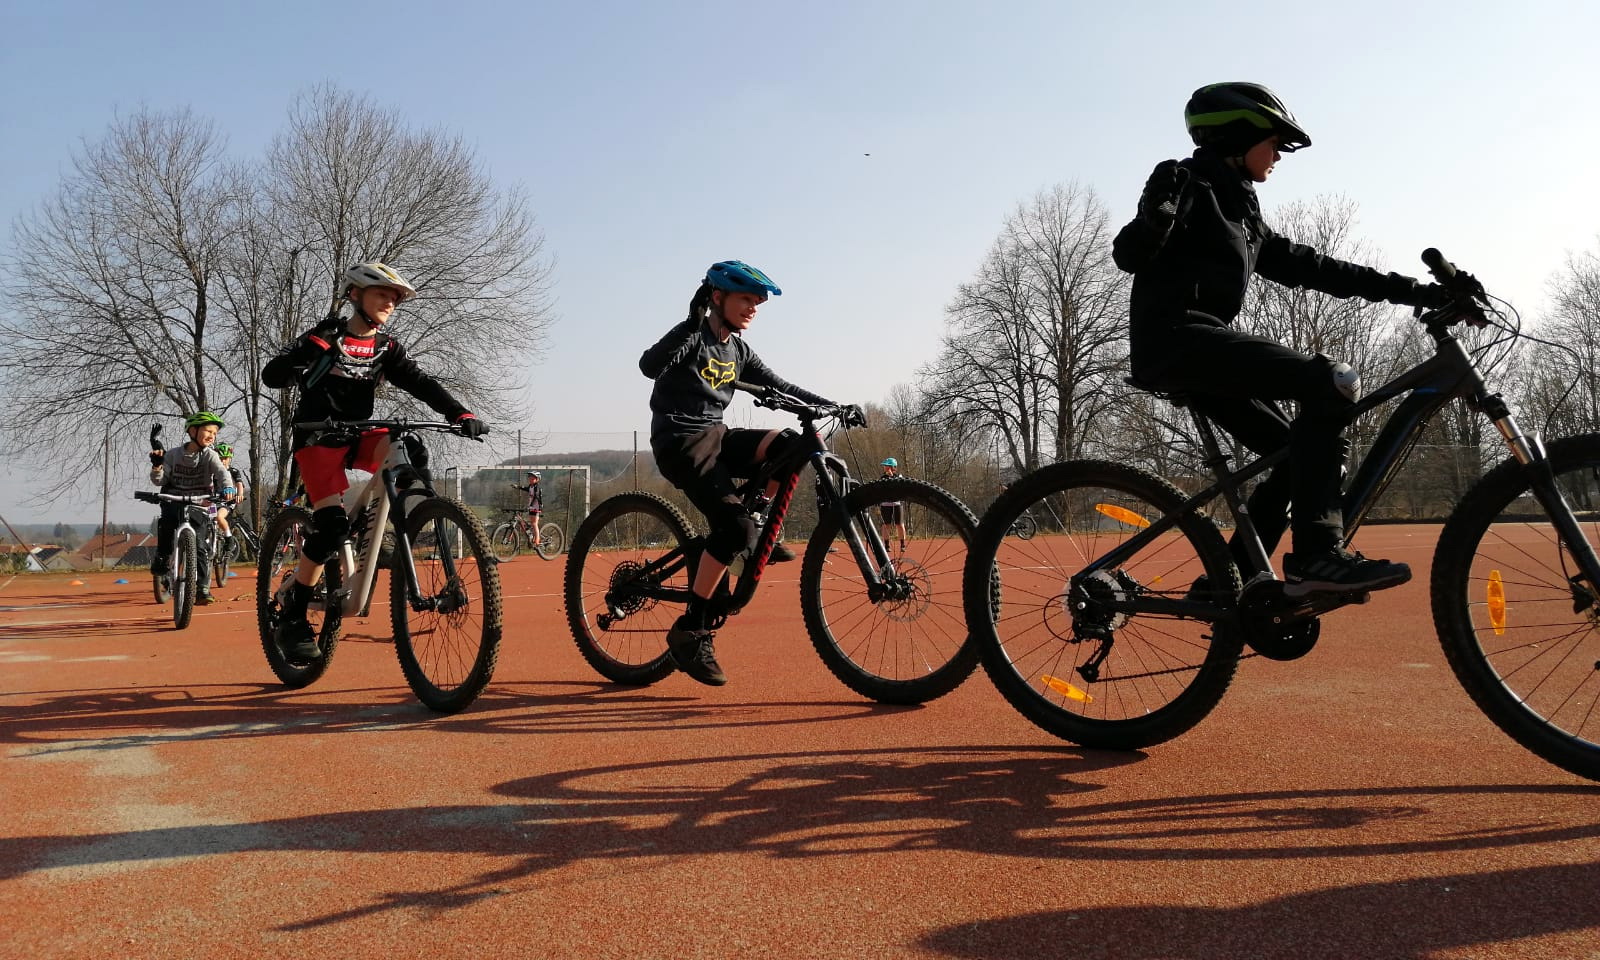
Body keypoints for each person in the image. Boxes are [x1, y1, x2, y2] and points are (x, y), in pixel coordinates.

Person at [1112, 82, 1449, 597]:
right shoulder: (1184, 180)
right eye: (1272, 143)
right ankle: (1317, 556)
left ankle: (1228, 584)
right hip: (1176, 339)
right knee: (1329, 381)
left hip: (1206, 347)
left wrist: (1415, 292)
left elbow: (1317, 268)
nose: (1278, 156)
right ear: (1237, 138)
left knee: (1298, 454)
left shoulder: (1244, 215)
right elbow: (1130, 253)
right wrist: (1154, 220)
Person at [640, 260, 863, 685]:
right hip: (680, 442)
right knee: (731, 528)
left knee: (791, 446)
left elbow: (780, 384)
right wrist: (690, 324)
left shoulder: (737, 350)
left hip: (716, 435)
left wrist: (833, 405)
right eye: (747, 299)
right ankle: (692, 629)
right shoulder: (695, 336)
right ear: (717, 297)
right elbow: (649, 365)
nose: (754, 308)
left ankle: (755, 530)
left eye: (758, 303)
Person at [261, 261, 488, 661]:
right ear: (355, 295)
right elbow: (272, 375)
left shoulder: (386, 348)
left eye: (395, 298)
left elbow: (420, 382)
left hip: (359, 435)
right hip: (316, 438)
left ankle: (403, 521)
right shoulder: (324, 337)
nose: (390, 303)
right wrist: (302, 359)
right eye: (382, 294)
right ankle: (294, 605)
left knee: (410, 447)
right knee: (330, 529)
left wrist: (459, 413)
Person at [148, 411, 235, 604]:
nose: (212, 436)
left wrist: (227, 487)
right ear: (193, 431)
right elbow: (159, 481)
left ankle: (202, 587)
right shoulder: (172, 455)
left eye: (215, 433)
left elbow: (222, 473)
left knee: (200, 546)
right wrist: (157, 467)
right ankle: (162, 557)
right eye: (208, 431)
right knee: (167, 524)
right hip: (174, 499)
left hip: (199, 503)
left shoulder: (210, 455)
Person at [213, 441, 248, 554]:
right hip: (213, 501)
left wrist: (240, 494)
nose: (223, 461)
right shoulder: (213, 472)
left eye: (225, 458)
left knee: (219, 516)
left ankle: (229, 538)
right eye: (220, 458)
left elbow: (239, 484)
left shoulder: (233, 471)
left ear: (230, 459)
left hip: (227, 502)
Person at [878, 458, 908, 552]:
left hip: (897, 504)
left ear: (892, 467)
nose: (885, 467)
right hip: (885, 504)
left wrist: (892, 478)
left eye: (887, 465)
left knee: (899, 524)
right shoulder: (882, 478)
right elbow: (879, 489)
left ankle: (902, 545)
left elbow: (900, 488)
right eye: (885, 466)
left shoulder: (899, 477)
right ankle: (886, 545)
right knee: (886, 525)